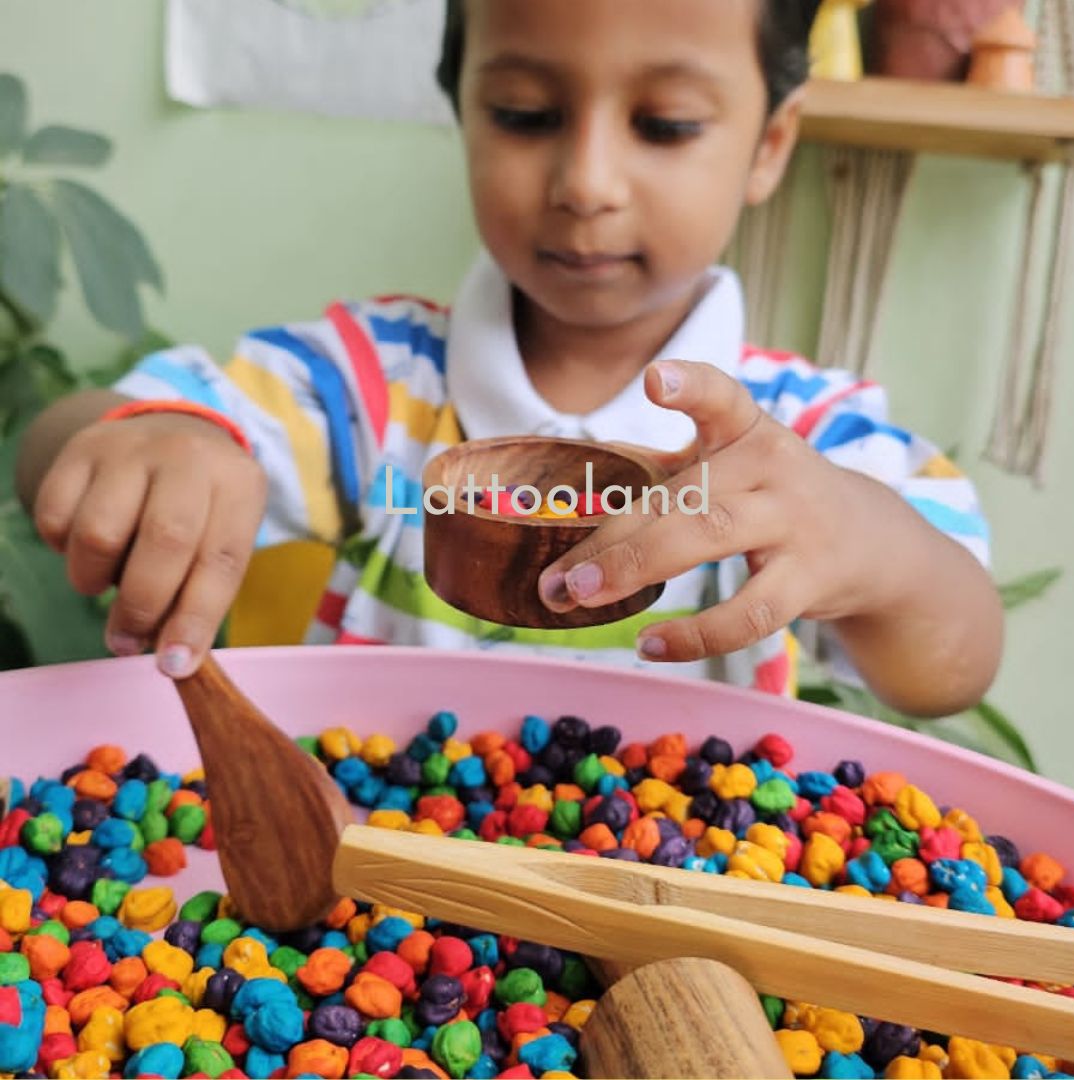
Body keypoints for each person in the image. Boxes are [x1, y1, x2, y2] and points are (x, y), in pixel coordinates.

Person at [14, 0, 1003, 717]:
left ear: (768, 146)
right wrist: (153, 441)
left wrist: (865, 543)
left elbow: (953, 663)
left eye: (665, 126)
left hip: (684, 918)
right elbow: (63, 442)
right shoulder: (370, 383)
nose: (587, 183)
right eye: (527, 115)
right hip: (381, 929)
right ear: (462, 113)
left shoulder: (804, 436)